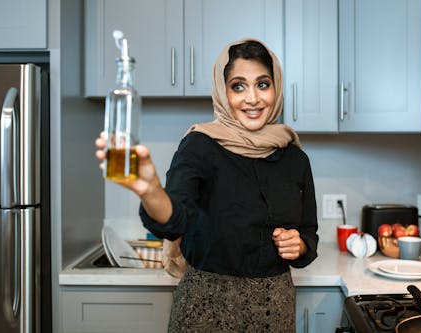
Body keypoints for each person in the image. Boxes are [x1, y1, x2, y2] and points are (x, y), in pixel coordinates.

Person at [95, 38, 318, 332]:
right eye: (238, 86)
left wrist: (299, 244)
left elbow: (309, 233)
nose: (253, 98)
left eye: (263, 84)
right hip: (207, 308)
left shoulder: (294, 157)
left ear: (276, 87)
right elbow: (176, 220)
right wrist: (150, 190)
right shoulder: (199, 146)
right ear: (222, 92)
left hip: (273, 309)